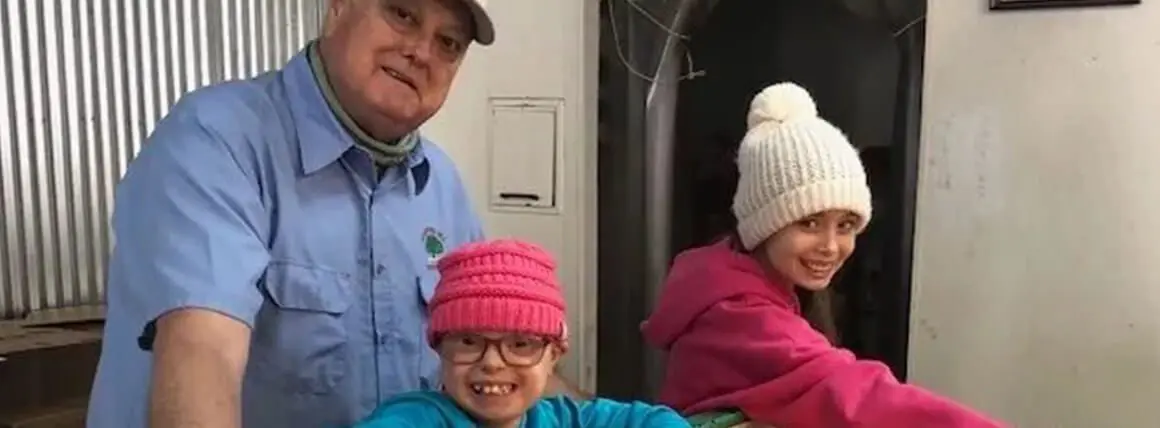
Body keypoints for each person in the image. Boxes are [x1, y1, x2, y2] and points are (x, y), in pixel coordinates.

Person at [86, 1, 583, 427]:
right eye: (402, 13)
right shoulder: (218, 141)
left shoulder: (442, 187)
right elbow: (202, 354)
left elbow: (510, 356)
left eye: (449, 43)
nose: (422, 51)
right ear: (339, 4)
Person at [639, 82, 1006, 427]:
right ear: (764, 225)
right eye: (810, 223)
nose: (831, 246)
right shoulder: (739, 316)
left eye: (845, 225)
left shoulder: (739, 280)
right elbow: (856, 396)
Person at [352, 239, 690, 427]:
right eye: (469, 341)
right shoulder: (418, 418)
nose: (493, 363)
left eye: (520, 344)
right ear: (438, 347)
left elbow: (650, 422)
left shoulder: (562, 420)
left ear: (554, 354)